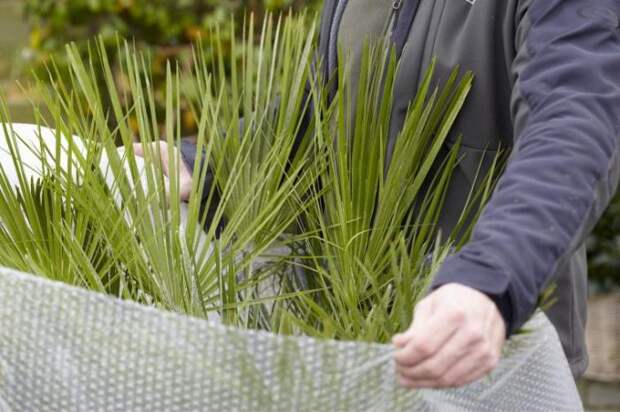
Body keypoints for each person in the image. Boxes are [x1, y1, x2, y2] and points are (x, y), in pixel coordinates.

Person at [142, 0, 620, 389]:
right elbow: (323, 110)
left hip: (488, 359)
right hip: (358, 356)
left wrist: (490, 279)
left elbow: (573, 126)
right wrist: (206, 168)